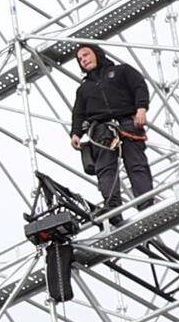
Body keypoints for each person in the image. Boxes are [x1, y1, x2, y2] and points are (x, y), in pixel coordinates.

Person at [64, 42, 154, 213]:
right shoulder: (84, 89)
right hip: (101, 131)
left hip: (127, 123)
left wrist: (141, 108)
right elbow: (79, 113)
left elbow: (139, 87)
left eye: (86, 55)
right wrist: (75, 133)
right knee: (105, 170)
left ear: (97, 54)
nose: (83, 60)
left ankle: (146, 203)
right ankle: (113, 209)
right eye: (80, 59)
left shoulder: (122, 71)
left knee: (136, 165)